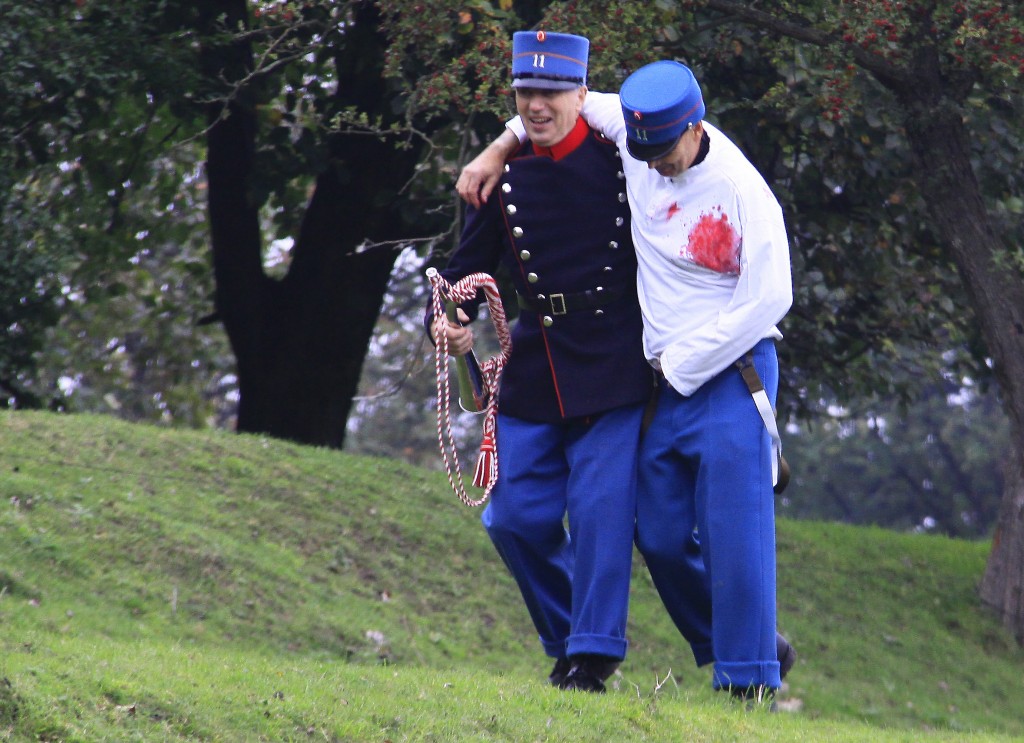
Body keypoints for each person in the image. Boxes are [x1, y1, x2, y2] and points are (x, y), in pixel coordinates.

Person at [457, 60, 795, 701]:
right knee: (661, 536)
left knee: (733, 530)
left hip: (731, 372)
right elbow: (555, 101)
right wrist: (499, 146)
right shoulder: (639, 137)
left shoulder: (742, 191)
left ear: (695, 128)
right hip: (662, 384)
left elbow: (769, 299)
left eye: (663, 151)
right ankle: (744, 644)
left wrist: (683, 362)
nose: (653, 164)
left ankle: (747, 683)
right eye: (642, 151)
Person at [427, 32, 713, 693]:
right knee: (511, 518)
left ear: (582, 95)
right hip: (536, 365)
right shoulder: (503, 180)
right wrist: (449, 319)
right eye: (526, 93)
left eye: (553, 92)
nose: (538, 105)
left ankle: (591, 656)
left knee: (598, 511)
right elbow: (463, 271)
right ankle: (566, 637)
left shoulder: (627, 159)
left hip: (616, 360)